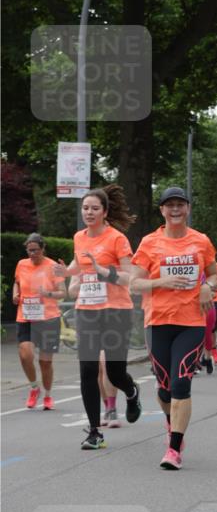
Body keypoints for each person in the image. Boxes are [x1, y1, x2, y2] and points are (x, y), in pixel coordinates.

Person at [130, 186, 217, 470]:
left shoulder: (201, 241)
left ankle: (174, 448)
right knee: (165, 388)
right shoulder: (149, 243)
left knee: (181, 383)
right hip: (157, 322)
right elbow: (134, 283)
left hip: (190, 322)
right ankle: (171, 423)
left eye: (180, 204)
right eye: (170, 205)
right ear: (162, 210)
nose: (176, 209)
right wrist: (160, 283)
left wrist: (207, 285)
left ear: (188, 208)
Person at [56, 186, 142, 450]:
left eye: (94, 208)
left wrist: (103, 271)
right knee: (88, 370)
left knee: (115, 373)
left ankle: (131, 392)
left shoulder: (117, 239)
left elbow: (130, 277)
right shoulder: (79, 237)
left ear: (104, 212)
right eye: (85, 208)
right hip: (87, 311)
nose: (89, 212)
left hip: (116, 310)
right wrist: (64, 271)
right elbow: (78, 266)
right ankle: (94, 431)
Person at [12, 233, 65, 410]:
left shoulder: (53, 266)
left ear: (43, 249)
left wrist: (47, 294)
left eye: (36, 250)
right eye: (29, 250)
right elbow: (17, 283)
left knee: (45, 362)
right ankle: (34, 388)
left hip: (48, 318)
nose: (32, 254)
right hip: (26, 316)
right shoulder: (21, 264)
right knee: (25, 354)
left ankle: (48, 395)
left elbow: (63, 293)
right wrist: (15, 294)